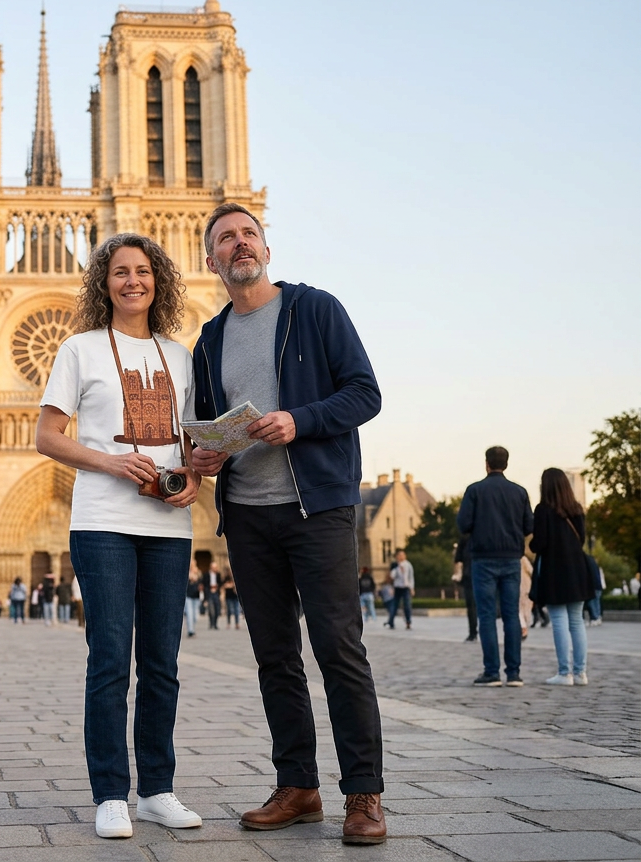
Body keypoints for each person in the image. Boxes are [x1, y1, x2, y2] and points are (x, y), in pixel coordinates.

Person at [189, 203, 386, 845]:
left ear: (266, 249)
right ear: (210, 259)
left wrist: (300, 420)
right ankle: (298, 786)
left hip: (316, 507)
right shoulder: (209, 340)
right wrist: (208, 457)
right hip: (247, 513)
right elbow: (213, 430)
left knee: (339, 649)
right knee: (274, 658)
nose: (239, 245)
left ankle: (364, 796)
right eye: (225, 238)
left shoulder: (314, 308)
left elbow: (365, 393)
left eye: (249, 234)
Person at [37, 232, 203, 840]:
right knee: (109, 661)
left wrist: (195, 480)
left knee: (162, 663)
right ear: (103, 283)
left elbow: (189, 443)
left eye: (143, 271)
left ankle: (157, 789)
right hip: (103, 522)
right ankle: (110, 794)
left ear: (158, 280)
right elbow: (47, 436)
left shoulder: (179, 356)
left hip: (167, 525)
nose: (133, 281)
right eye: (120, 273)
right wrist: (110, 461)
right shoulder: (79, 349)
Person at [457, 446, 533, 688]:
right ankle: (514, 673)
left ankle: (491, 672)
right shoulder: (519, 492)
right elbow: (529, 526)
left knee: (487, 615)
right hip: (511, 558)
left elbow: (463, 524)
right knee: (511, 614)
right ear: (507, 464)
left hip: (483, 558)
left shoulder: (475, 491)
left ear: (486, 464)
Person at [529, 468, 596, 686]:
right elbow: (582, 539)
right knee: (577, 621)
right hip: (577, 570)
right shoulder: (577, 509)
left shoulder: (543, 510)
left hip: (554, 570)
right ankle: (581, 673)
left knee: (559, 620)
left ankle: (564, 673)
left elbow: (540, 543)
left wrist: (531, 544)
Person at [455, 535, 478, 642]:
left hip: (478, 575)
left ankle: (475, 632)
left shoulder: (466, 539)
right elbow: (458, 559)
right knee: (472, 606)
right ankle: (473, 632)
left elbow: (458, 559)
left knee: (474, 606)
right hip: (470, 576)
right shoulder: (465, 539)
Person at [389, 550, 415, 630]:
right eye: (399, 555)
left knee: (407, 605)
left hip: (405, 587)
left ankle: (408, 621)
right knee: (394, 605)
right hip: (397, 587)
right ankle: (391, 621)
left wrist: (412, 588)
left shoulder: (408, 565)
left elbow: (411, 577)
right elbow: (392, 576)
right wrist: (397, 567)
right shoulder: (395, 565)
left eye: (402, 555)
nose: (401, 557)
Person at [202, 561, 223, 629]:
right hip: (209, 593)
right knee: (211, 609)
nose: (215, 569)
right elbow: (204, 584)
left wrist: (217, 587)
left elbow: (221, 583)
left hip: (216, 593)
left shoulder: (218, 574)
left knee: (217, 608)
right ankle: (211, 623)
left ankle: (215, 623)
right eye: (213, 567)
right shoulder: (206, 574)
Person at [184, 567, 202, 638]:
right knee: (189, 614)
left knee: (195, 616)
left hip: (196, 597)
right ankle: (190, 631)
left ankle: (192, 628)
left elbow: (202, 586)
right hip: (188, 597)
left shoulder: (199, 578)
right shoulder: (187, 576)